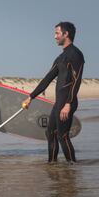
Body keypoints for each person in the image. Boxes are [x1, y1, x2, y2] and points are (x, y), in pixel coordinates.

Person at [22, 22, 84, 164]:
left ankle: (72, 166)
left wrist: (68, 103)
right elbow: (47, 79)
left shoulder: (75, 54)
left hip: (67, 101)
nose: (55, 36)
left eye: (57, 33)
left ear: (66, 34)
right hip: (59, 102)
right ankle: (52, 164)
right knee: (50, 132)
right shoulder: (61, 57)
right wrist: (30, 97)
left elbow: (77, 80)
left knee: (63, 136)